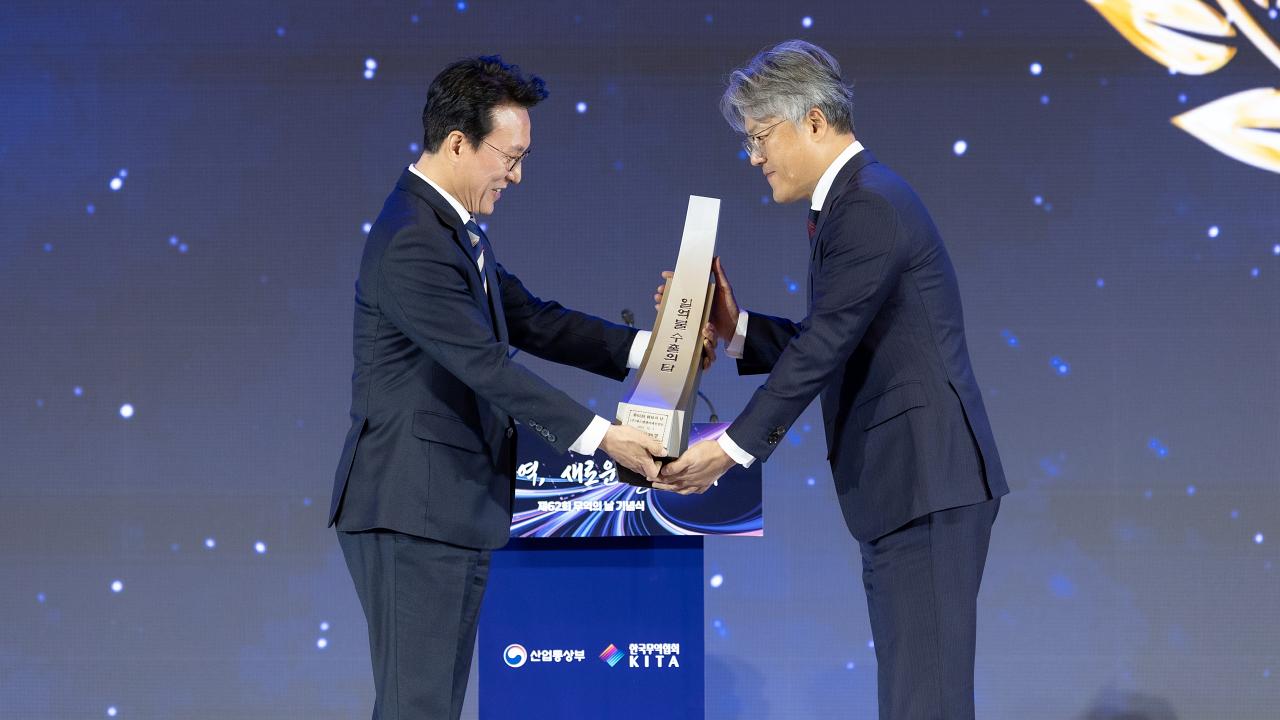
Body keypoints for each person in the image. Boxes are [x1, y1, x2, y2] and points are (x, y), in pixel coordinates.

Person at [327, 55, 705, 719]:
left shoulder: (451, 231)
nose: (517, 175)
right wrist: (604, 437)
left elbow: (532, 320)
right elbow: (487, 367)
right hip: (410, 509)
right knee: (418, 707)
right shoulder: (413, 240)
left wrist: (655, 348)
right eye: (511, 157)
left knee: (431, 707)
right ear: (457, 143)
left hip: (446, 509)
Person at [656, 40, 1009, 719]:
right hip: (907, 488)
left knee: (925, 703)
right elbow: (835, 338)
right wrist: (734, 328)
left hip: (925, 482)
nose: (753, 156)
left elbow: (823, 346)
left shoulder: (868, 204)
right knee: (912, 700)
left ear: (813, 121)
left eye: (760, 137)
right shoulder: (854, 201)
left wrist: (729, 449)